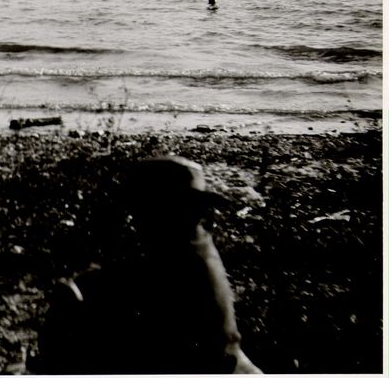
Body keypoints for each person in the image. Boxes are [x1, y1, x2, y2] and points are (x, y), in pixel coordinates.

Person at [31, 156, 260, 374]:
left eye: (142, 207)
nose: (136, 218)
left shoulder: (181, 257)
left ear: (160, 209)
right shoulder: (191, 242)